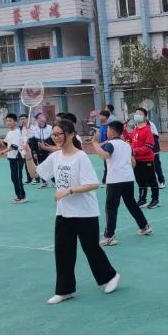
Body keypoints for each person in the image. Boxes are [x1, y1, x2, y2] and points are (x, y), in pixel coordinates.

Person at [37, 119, 121, 304]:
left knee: (91, 249)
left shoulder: (81, 157)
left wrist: (68, 190)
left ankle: (110, 276)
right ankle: (64, 290)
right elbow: (37, 174)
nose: (57, 137)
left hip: (85, 213)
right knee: (63, 251)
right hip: (64, 213)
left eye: (60, 134)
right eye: (54, 134)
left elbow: (93, 183)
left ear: (71, 134)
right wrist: (27, 155)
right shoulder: (56, 157)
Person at [93, 120, 151, 246]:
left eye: (108, 130)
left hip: (115, 180)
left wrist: (95, 143)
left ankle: (109, 236)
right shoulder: (127, 145)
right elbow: (133, 163)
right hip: (128, 179)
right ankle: (144, 226)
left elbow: (104, 155)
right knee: (131, 204)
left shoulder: (110, 144)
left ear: (112, 131)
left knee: (111, 208)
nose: (107, 132)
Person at [129, 107, 160, 209]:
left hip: (147, 160)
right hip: (136, 160)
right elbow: (131, 142)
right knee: (140, 180)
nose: (136, 115)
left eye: (139, 113)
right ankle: (142, 199)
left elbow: (149, 146)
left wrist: (135, 151)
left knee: (151, 180)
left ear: (144, 116)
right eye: (136, 113)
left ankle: (155, 199)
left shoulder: (147, 129)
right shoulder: (135, 129)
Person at [0, 113, 27, 204]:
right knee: (14, 178)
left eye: (10, 121)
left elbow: (14, 146)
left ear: (15, 122)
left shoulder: (17, 132)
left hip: (17, 157)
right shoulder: (9, 132)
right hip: (11, 158)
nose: (8, 122)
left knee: (17, 178)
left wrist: (2, 152)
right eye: (7, 121)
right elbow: (5, 144)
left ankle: (22, 197)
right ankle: (19, 196)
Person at [28, 112, 52, 187]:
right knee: (41, 166)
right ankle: (44, 182)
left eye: (43, 117)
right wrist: (34, 152)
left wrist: (51, 150)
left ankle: (54, 181)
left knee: (51, 166)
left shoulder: (50, 128)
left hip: (49, 150)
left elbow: (52, 140)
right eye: (39, 118)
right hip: (39, 151)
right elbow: (33, 142)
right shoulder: (34, 129)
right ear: (37, 120)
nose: (42, 119)